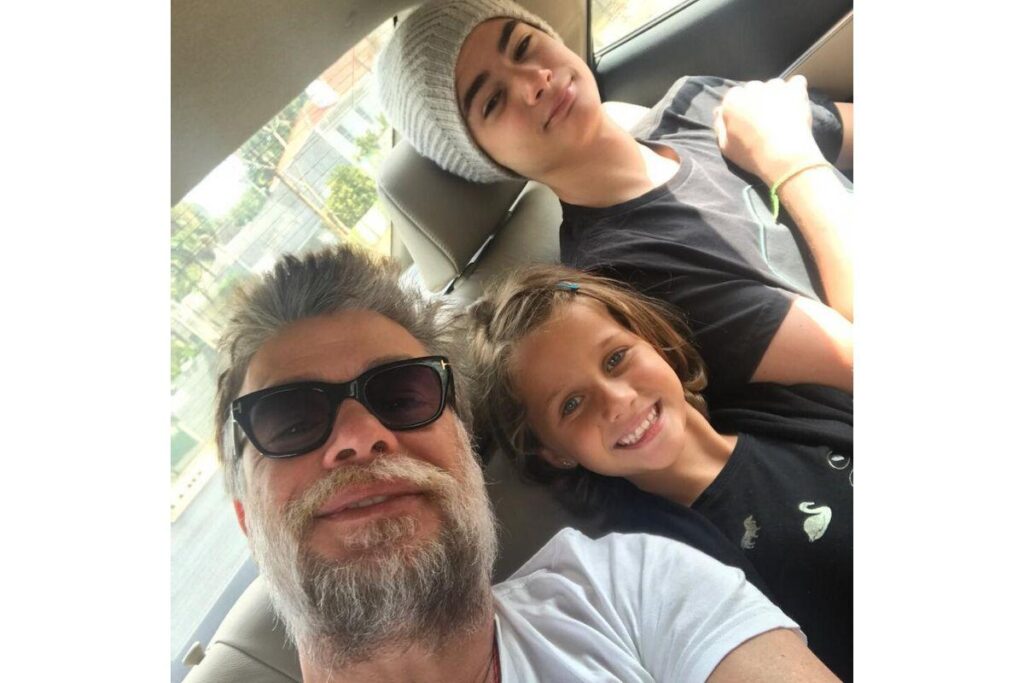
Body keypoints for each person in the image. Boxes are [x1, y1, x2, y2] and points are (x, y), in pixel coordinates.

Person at [212, 244, 841, 682]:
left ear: (467, 456)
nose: (359, 436)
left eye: (403, 396)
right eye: (289, 421)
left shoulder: (631, 588)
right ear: (245, 520)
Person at [375, 0, 855, 404]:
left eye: (522, 46)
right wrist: (790, 160)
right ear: (483, 158)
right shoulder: (622, 278)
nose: (533, 81)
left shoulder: (696, 102)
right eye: (492, 102)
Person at [464, 263, 853, 680]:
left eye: (615, 359)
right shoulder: (664, 570)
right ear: (555, 453)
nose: (617, 400)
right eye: (571, 405)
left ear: (653, 341)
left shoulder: (779, 403)